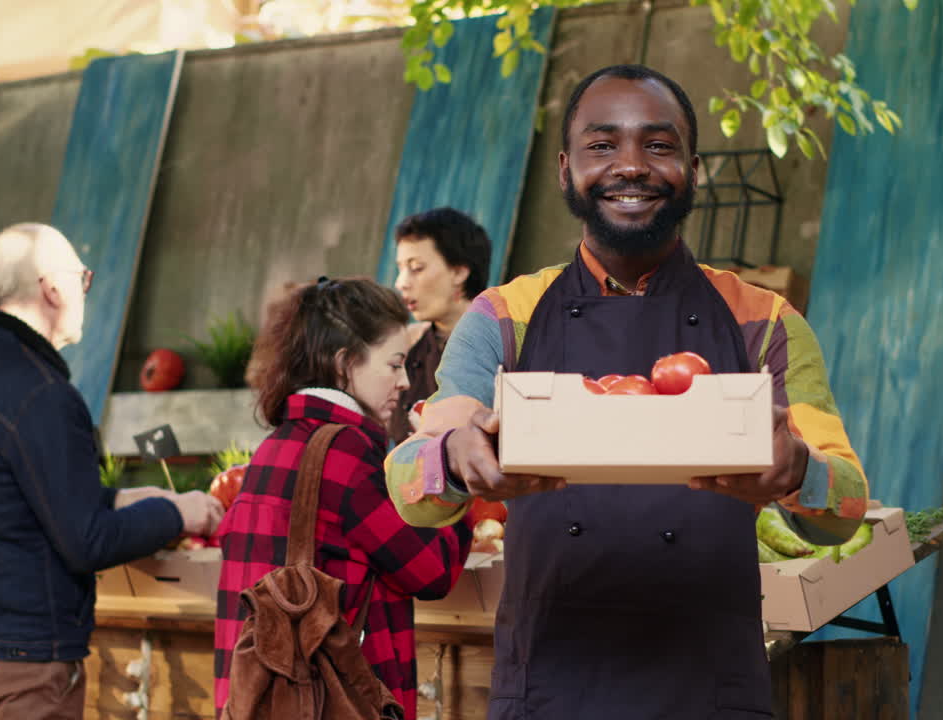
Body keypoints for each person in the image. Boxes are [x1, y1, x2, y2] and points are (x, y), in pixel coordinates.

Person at [385, 65, 870, 718]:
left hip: (711, 696)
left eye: (660, 145)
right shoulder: (504, 316)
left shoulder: (764, 321)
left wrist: (800, 470)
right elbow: (409, 484)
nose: (632, 166)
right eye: (603, 145)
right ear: (565, 170)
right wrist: (454, 457)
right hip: (547, 694)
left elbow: (845, 508)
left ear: (694, 170)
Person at [0, 222, 225, 720]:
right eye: (81, 278)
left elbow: (4, 494)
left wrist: (123, 499)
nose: (86, 292)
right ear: (52, 286)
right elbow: (88, 541)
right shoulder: (41, 392)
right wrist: (181, 513)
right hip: (21, 666)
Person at [213, 276, 472, 718]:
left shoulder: (273, 448)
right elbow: (432, 571)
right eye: (393, 365)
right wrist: (447, 460)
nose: (405, 382)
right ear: (344, 364)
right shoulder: (346, 454)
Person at [390, 207, 492, 442]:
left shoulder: (505, 343)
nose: (401, 283)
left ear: (458, 272)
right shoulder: (407, 346)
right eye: (400, 269)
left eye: (416, 268)